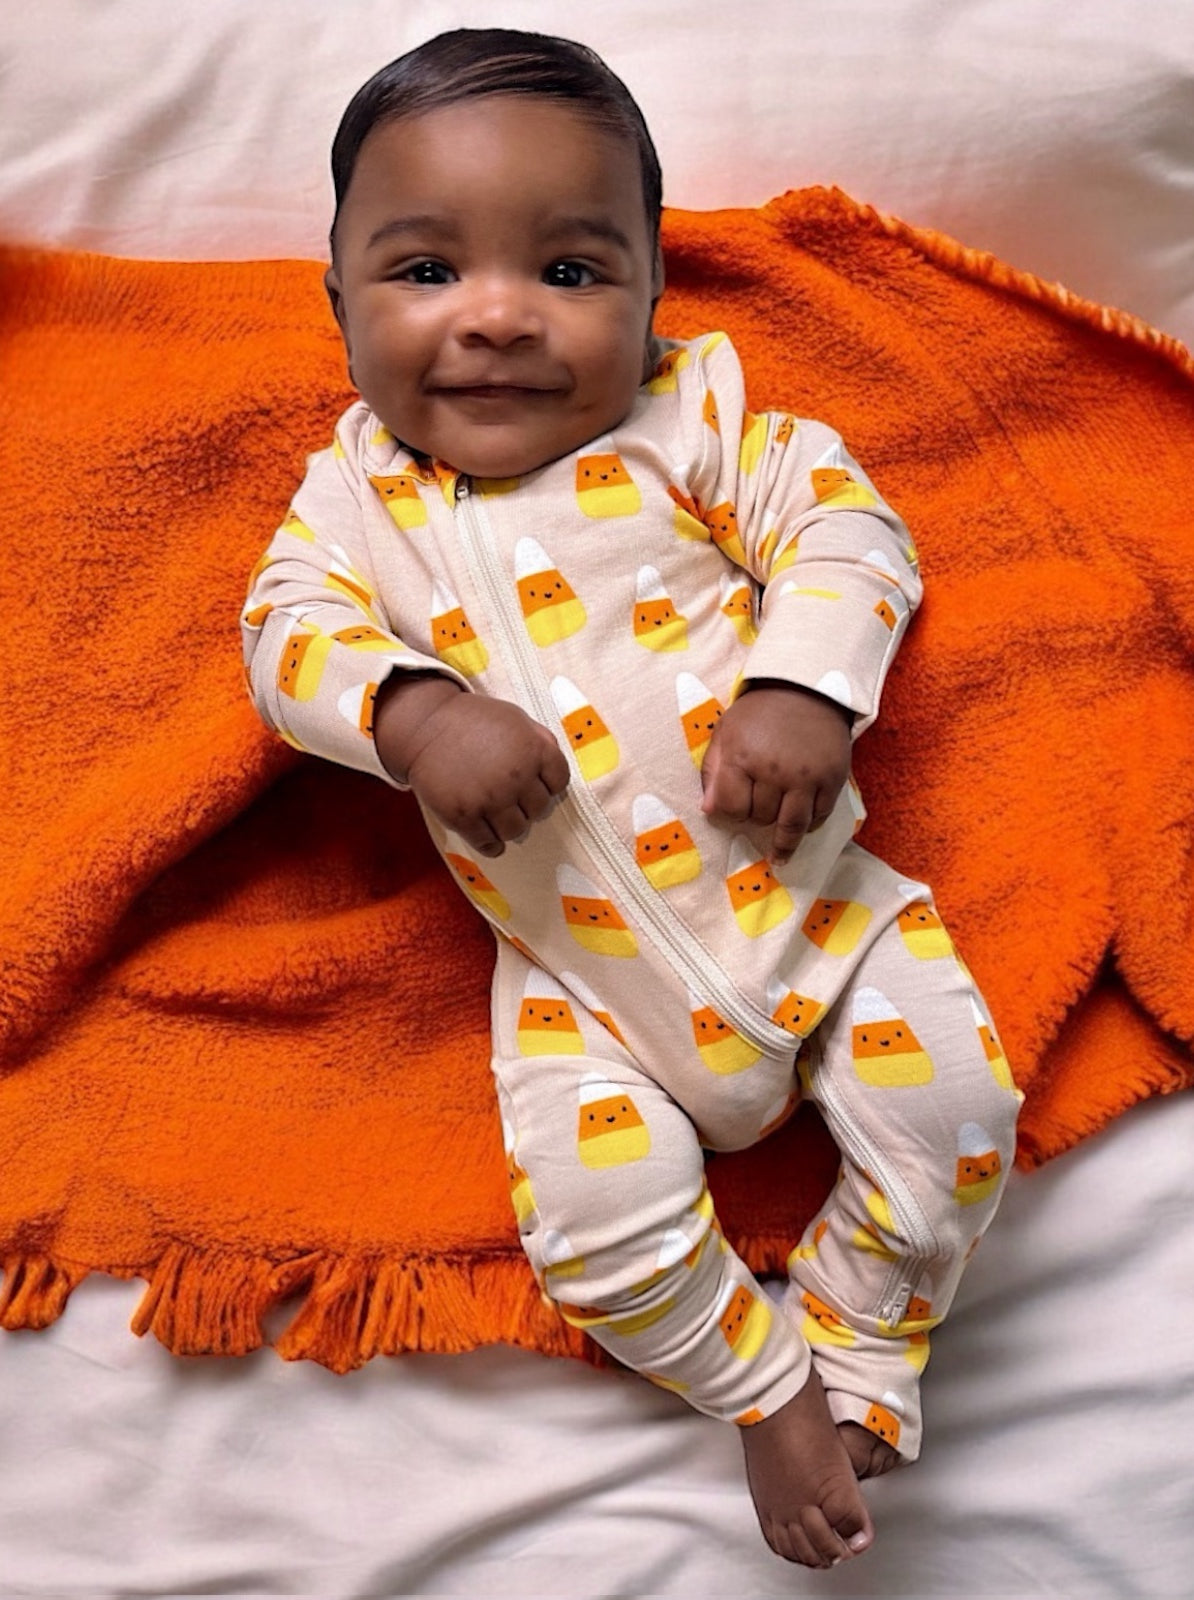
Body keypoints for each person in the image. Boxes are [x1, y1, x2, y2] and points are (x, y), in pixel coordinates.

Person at [241, 27, 1021, 1570]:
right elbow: (281, 637)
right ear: (336, 308)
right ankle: (762, 1387)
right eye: (421, 273)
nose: (497, 319)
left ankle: (861, 1334)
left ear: (654, 298)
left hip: (821, 920)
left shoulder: (700, 423)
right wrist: (413, 712)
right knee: (595, 1234)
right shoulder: (352, 501)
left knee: (959, 1115)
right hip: (580, 982)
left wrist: (803, 684)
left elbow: (846, 532)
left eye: (573, 274)